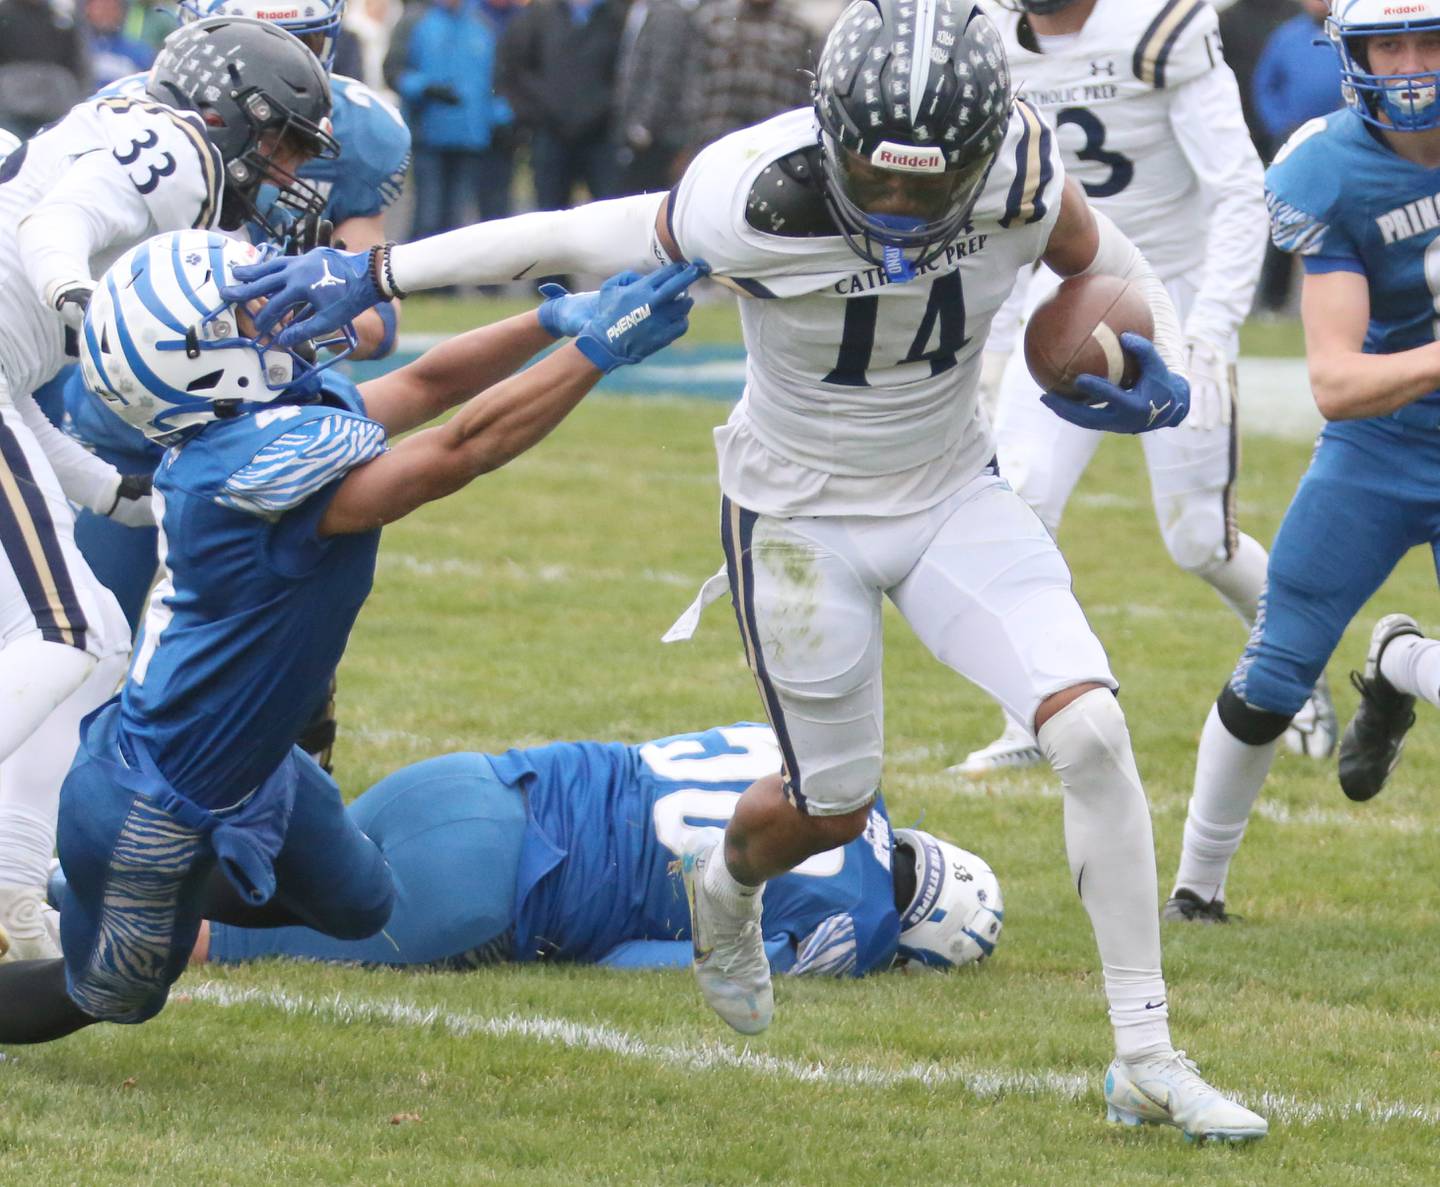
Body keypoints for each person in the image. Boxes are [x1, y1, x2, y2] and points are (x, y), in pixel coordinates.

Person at [221, 0, 1268, 1144]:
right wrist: (382, 271)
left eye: (934, 184)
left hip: (953, 491)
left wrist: (1146, 354)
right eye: (884, 178)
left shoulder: (1019, 161)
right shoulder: (755, 190)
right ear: (827, 132)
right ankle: (726, 887)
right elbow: (588, 231)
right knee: (830, 807)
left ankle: (1145, 1056)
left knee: (1092, 732)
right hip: (796, 515)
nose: (907, 211)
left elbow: (1108, 270)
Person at [0, 227, 702, 1043]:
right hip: (150, 799)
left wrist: (549, 322)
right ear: (197, 359)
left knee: (365, 902)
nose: (272, 309)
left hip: (249, 761)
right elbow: (455, 450)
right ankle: (105, 891)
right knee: (113, 995)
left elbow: (427, 384)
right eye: (245, 310)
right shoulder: (239, 473)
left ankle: (119, 883)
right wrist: (594, 353)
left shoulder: (248, 423)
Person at [0, 16, 348, 964]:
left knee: (98, 638)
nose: (281, 169)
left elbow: (19, 394)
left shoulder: (134, 126)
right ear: (225, 111)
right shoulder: (182, 151)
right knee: (67, 629)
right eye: (276, 140)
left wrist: (109, 490)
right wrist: (79, 295)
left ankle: (11, 895)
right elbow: (55, 223)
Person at [958, 0, 1332, 776]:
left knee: (1198, 535)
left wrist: (1209, 332)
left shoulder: (1158, 28)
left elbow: (1235, 189)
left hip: (1175, 290)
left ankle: (1295, 677)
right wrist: (989, 348)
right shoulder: (988, 39)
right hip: (1067, 291)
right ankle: (1033, 711)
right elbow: (991, 204)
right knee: (1019, 497)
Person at [1164, 1, 1440, 926]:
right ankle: (1197, 887)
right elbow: (1337, 378)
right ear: (1350, 56)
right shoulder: (1329, 167)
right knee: (1278, 667)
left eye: (1429, 41)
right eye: (1388, 45)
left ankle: (1401, 665)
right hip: (1382, 441)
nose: (1409, 66)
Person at [170, 723, 1004, 976]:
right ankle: (51, 923)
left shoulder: (844, 782)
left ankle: (50, 880)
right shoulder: (854, 926)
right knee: (225, 941)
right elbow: (635, 962)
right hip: (497, 888)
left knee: (241, 874)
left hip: (479, 779)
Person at [391, 0, 514, 239]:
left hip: (470, 137)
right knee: (428, 215)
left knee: (457, 220)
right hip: (429, 134)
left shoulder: (482, 24)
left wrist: (501, 117)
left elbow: (497, 80)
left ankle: (451, 276)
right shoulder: (415, 21)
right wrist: (426, 88)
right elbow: (394, 72)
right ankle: (417, 273)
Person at [496, 0, 626, 210]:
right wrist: (540, 110)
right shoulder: (538, 18)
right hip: (551, 135)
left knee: (609, 211)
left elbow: (626, 72)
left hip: (601, 134)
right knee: (548, 215)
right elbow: (516, 70)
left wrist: (600, 109)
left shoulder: (616, 18)